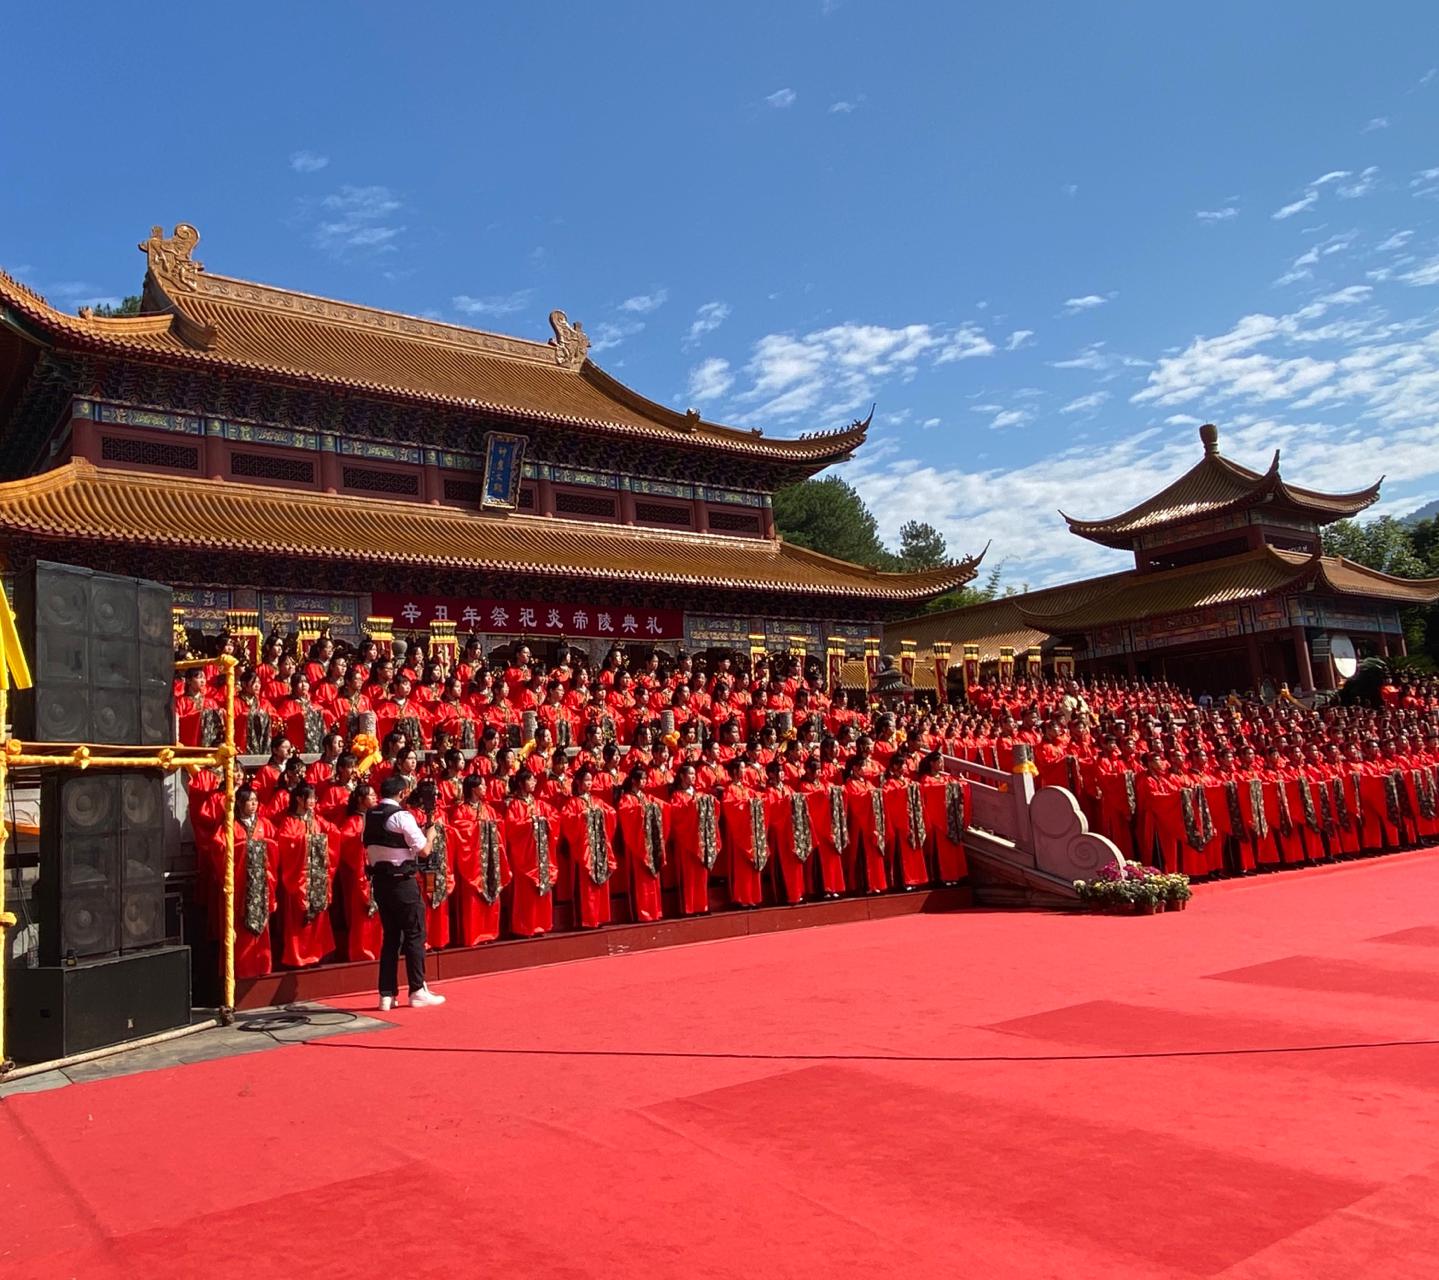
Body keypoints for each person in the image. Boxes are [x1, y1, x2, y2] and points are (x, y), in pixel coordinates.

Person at [365, 774, 445, 1010]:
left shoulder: (370, 815)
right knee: (414, 934)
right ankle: (417, 989)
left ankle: (386, 994)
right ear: (401, 794)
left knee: (391, 937)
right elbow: (424, 851)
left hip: (380, 882)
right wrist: (430, 834)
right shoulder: (401, 816)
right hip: (402, 881)